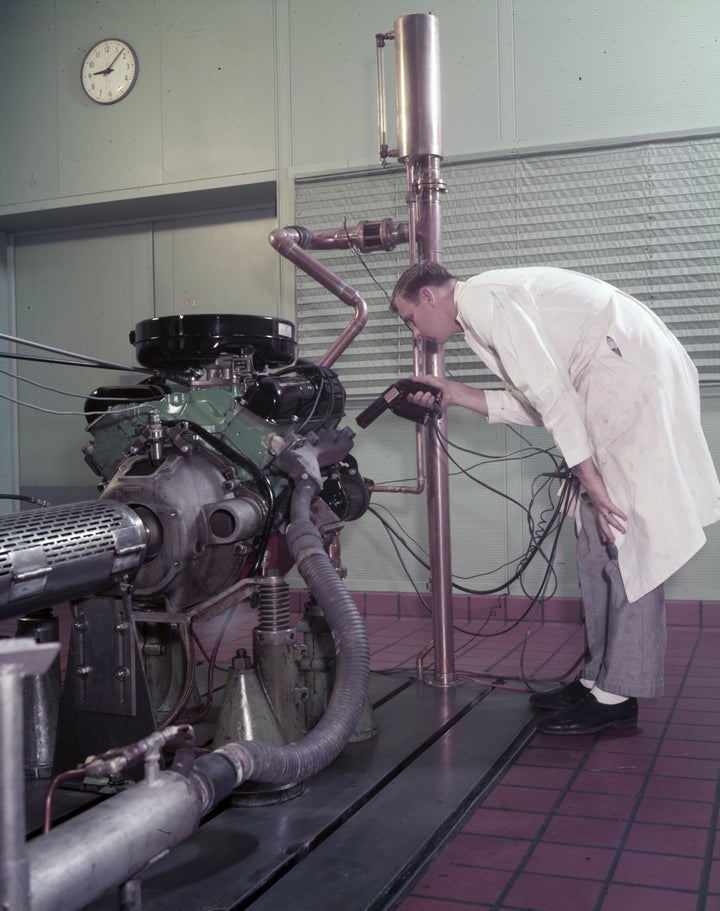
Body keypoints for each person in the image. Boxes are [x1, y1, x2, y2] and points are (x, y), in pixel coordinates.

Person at [391, 262, 720, 735]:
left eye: (410, 319)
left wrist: (591, 479)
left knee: (630, 544)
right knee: (593, 544)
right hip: (608, 382)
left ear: (428, 297)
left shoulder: (484, 300)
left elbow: (554, 395)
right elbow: (537, 401)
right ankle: (597, 680)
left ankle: (618, 695)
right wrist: (453, 392)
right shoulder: (482, 311)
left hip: (624, 381)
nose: (416, 332)